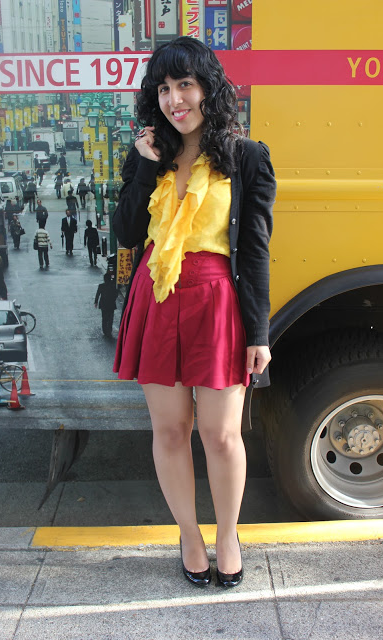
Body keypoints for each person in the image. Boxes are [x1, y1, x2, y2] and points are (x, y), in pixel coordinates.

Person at [112, 37, 276, 588]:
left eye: (185, 84)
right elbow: (128, 235)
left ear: (209, 88)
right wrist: (142, 167)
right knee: (170, 429)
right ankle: (188, 534)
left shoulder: (246, 156)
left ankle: (228, 533)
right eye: (163, 88)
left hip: (216, 299)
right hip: (157, 296)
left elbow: (253, 250)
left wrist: (260, 332)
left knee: (221, 433)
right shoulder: (147, 153)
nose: (174, 99)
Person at [94, 272, 118, 337]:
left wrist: (96, 302)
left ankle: (105, 330)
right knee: (110, 318)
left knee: (104, 318)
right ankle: (109, 330)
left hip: (103, 304)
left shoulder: (101, 286)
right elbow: (116, 294)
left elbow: (97, 295)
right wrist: (113, 299)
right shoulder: (113, 286)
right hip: (111, 304)